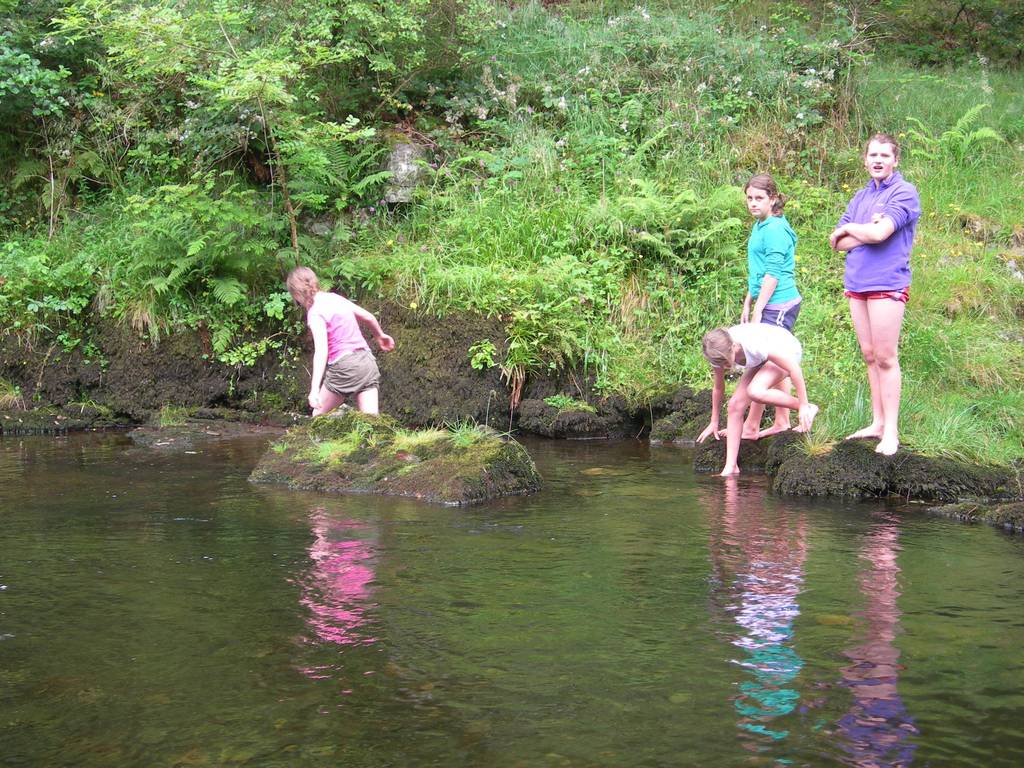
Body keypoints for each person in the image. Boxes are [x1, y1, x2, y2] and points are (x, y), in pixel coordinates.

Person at [829, 134, 921, 456]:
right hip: (857, 283)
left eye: (884, 155)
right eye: (872, 155)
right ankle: (877, 422)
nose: (878, 160)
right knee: (869, 355)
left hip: (887, 283)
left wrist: (856, 229)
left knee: (885, 356)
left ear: (895, 160)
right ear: (865, 159)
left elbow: (882, 234)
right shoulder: (859, 197)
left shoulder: (904, 192)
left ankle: (892, 433)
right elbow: (836, 242)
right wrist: (863, 228)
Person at [697, 324, 819, 477]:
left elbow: (794, 368)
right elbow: (718, 387)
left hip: (786, 348)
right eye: (721, 363)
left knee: (755, 390)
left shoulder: (753, 344)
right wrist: (714, 420)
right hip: (762, 359)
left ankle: (809, 408)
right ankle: (731, 467)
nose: (726, 366)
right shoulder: (715, 351)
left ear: (734, 346)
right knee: (735, 405)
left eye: (727, 362)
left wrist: (803, 404)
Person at [740, 173, 801, 439]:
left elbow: (773, 274)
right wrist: (748, 301)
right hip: (766, 300)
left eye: (759, 198)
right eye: (749, 198)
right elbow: (758, 270)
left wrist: (758, 310)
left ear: (773, 199)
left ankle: (751, 426)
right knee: (775, 358)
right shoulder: (761, 224)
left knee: (766, 360)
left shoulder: (775, 229)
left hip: (779, 302)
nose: (753, 203)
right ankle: (782, 420)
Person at [286, 266, 395, 416]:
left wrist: (314, 390)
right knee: (371, 421)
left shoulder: (315, 313)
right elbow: (369, 317)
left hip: (345, 366)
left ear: (297, 294)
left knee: (318, 417)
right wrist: (380, 335)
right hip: (367, 361)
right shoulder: (335, 298)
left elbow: (321, 351)